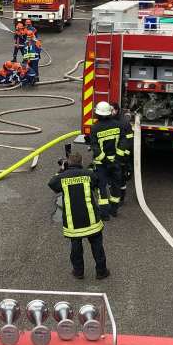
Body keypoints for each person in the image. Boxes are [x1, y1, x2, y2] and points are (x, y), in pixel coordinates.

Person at [48, 151, 109, 280]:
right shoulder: (88, 174)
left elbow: (52, 184)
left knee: (76, 249)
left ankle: (78, 272)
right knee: (97, 247)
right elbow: (97, 183)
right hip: (91, 220)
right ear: (81, 162)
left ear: (68, 163)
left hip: (73, 222)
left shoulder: (62, 177)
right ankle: (101, 271)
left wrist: (60, 170)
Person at [88, 101, 124, 219]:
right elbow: (124, 143)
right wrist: (116, 159)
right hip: (116, 162)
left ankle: (104, 214)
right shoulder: (118, 125)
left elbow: (96, 149)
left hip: (102, 164)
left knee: (102, 186)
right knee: (116, 185)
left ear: (97, 114)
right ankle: (114, 210)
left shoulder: (95, 128)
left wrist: (107, 162)